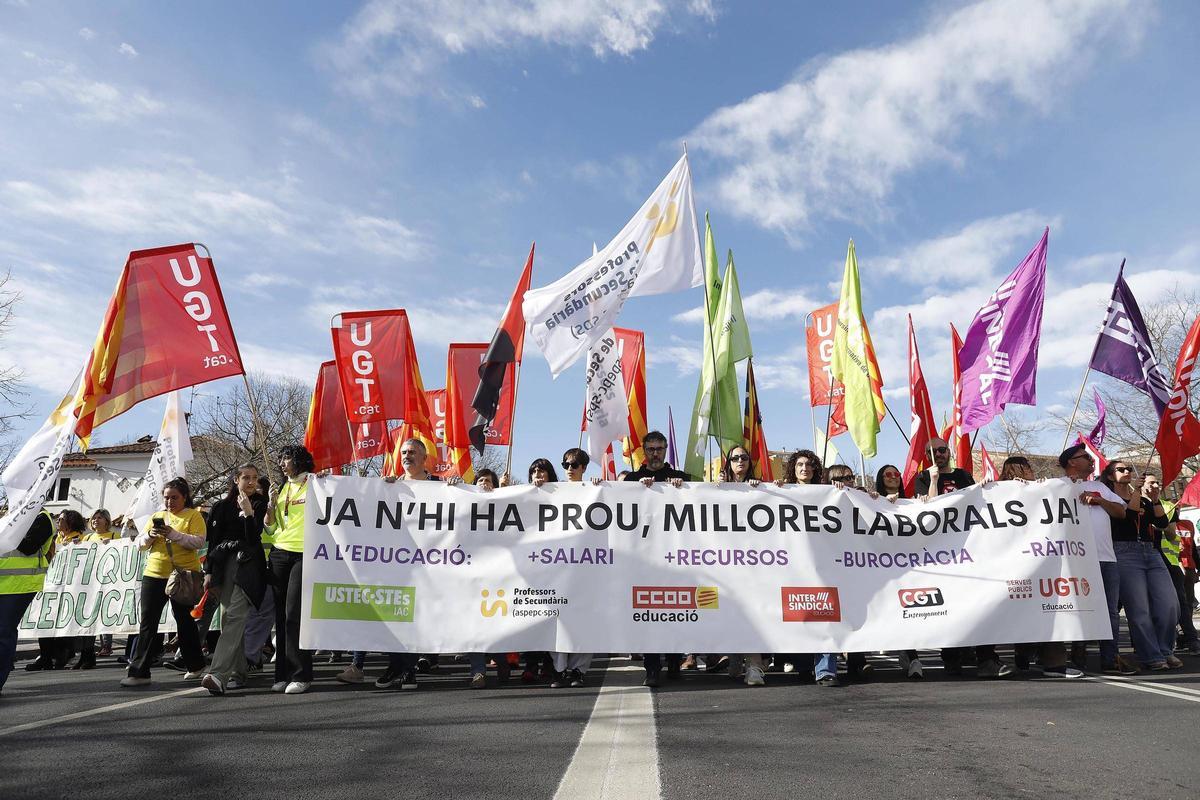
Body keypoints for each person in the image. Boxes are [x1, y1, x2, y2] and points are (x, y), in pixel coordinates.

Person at [912, 441, 1014, 678]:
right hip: (942, 552)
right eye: (932, 451)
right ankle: (952, 658)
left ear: (949, 452)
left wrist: (987, 486)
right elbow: (928, 508)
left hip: (971, 547)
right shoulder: (924, 478)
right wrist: (934, 480)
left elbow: (978, 499)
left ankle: (987, 658)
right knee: (950, 605)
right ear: (926, 455)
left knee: (981, 603)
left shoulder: (963, 475)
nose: (938, 454)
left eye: (942, 450)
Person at [996, 456, 1084, 679]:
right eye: (1021, 468)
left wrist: (1055, 487)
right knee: (1028, 612)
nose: (1027, 471)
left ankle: (1051, 663)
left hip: (1042, 561)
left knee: (1050, 610)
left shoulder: (1038, 489)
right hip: (1018, 564)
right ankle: (1031, 660)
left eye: (1027, 467)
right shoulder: (998, 492)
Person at [1057, 444, 1138, 675]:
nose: (1091, 460)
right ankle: (1077, 655)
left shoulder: (1098, 486)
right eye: (1084, 457)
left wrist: (1099, 500)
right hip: (1076, 558)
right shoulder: (1057, 487)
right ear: (1071, 462)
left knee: (1110, 610)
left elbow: (1121, 513)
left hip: (1106, 558)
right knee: (1079, 607)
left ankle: (1110, 658)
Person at [120, 478, 207, 687]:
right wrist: (150, 535)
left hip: (183, 575)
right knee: (148, 623)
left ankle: (195, 665)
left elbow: (198, 541)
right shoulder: (157, 516)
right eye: (166, 497)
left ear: (184, 497)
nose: (170, 502)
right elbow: (140, 545)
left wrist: (174, 535)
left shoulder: (193, 515)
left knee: (184, 622)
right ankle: (140, 672)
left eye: (174, 497)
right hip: (155, 574)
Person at [374, 439, 442, 690]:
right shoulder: (392, 486)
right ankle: (396, 666)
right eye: (403, 453)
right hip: (397, 564)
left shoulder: (441, 486)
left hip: (429, 566)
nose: (407, 456)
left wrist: (460, 489)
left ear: (425, 459)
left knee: (417, 620)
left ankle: (408, 669)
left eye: (413, 452)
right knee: (395, 618)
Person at [624, 431, 688, 688]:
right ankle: (652, 668)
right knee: (650, 613)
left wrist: (681, 489)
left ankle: (674, 662)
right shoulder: (632, 478)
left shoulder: (681, 478)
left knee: (674, 610)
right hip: (645, 558)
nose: (655, 453)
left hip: (676, 557)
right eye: (651, 448)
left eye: (660, 448)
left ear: (666, 449)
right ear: (644, 450)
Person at [1103, 462, 1181, 670]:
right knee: (1139, 610)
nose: (1127, 471)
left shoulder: (1144, 500)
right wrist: (1136, 491)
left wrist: (1154, 500)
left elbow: (1162, 524)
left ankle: (1165, 649)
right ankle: (1152, 655)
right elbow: (1128, 516)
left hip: (1151, 552)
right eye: (1121, 469)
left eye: (1129, 468)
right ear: (1110, 477)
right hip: (1124, 553)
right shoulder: (1110, 499)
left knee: (1169, 604)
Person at [201, 464, 269, 696]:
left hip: (248, 565)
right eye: (246, 478)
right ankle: (239, 672)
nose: (251, 482)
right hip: (223, 567)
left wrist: (249, 513)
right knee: (230, 619)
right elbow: (213, 543)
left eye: (255, 478)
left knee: (235, 616)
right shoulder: (219, 507)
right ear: (235, 480)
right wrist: (209, 571)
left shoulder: (259, 503)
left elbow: (253, 538)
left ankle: (218, 674)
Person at [774, 449, 840, 686]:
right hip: (790, 566)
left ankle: (825, 669)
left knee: (826, 617)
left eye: (810, 464)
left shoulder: (828, 494)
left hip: (822, 566)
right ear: (793, 467)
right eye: (800, 464)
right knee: (798, 616)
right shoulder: (779, 491)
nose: (805, 468)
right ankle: (803, 664)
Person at [265, 445, 316, 695]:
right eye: (280, 458)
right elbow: (271, 528)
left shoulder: (316, 483)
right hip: (279, 553)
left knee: (293, 614)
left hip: (304, 553)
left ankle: (302, 674)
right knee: (281, 618)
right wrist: (270, 506)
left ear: (299, 460)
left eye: (286, 458)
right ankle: (282, 674)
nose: (282, 463)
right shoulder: (283, 487)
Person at [717, 446, 767, 687]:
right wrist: (713, 488)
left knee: (752, 613)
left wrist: (769, 489)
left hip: (754, 562)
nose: (739, 461)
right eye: (735, 458)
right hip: (722, 562)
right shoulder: (716, 486)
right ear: (728, 463)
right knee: (730, 613)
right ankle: (735, 656)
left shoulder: (760, 487)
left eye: (744, 458)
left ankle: (755, 666)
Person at [548, 448, 595, 689]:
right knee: (557, 620)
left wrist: (601, 487)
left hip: (587, 568)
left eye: (574, 464)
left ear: (584, 468)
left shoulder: (594, 491)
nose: (569, 468)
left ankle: (578, 670)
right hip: (556, 567)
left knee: (583, 622)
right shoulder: (552, 490)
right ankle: (558, 670)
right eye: (565, 464)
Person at [0, 510, 55, 695]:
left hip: (19, 585)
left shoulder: (41, 517)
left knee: (3, 632)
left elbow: (28, 546)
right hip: (3, 583)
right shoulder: (8, 515)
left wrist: (11, 526)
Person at [55, 510, 97, 670]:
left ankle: (88, 655)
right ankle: (71, 654)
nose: (58, 521)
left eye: (61, 519)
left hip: (80, 587)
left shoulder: (79, 539)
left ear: (70, 522)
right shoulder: (58, 539)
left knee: (84, 621)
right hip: (62, 586)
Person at [85, 509, 119, 656]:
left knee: (105, 612)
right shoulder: (87, 539)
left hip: (107, 580)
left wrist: (111, 544)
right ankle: (88, 645)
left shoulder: (114, 536)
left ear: (107, 521)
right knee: (92, 613)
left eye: (99, 518)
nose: (96, 520)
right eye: (94, 518)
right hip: (91, 581)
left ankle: (106, 645)